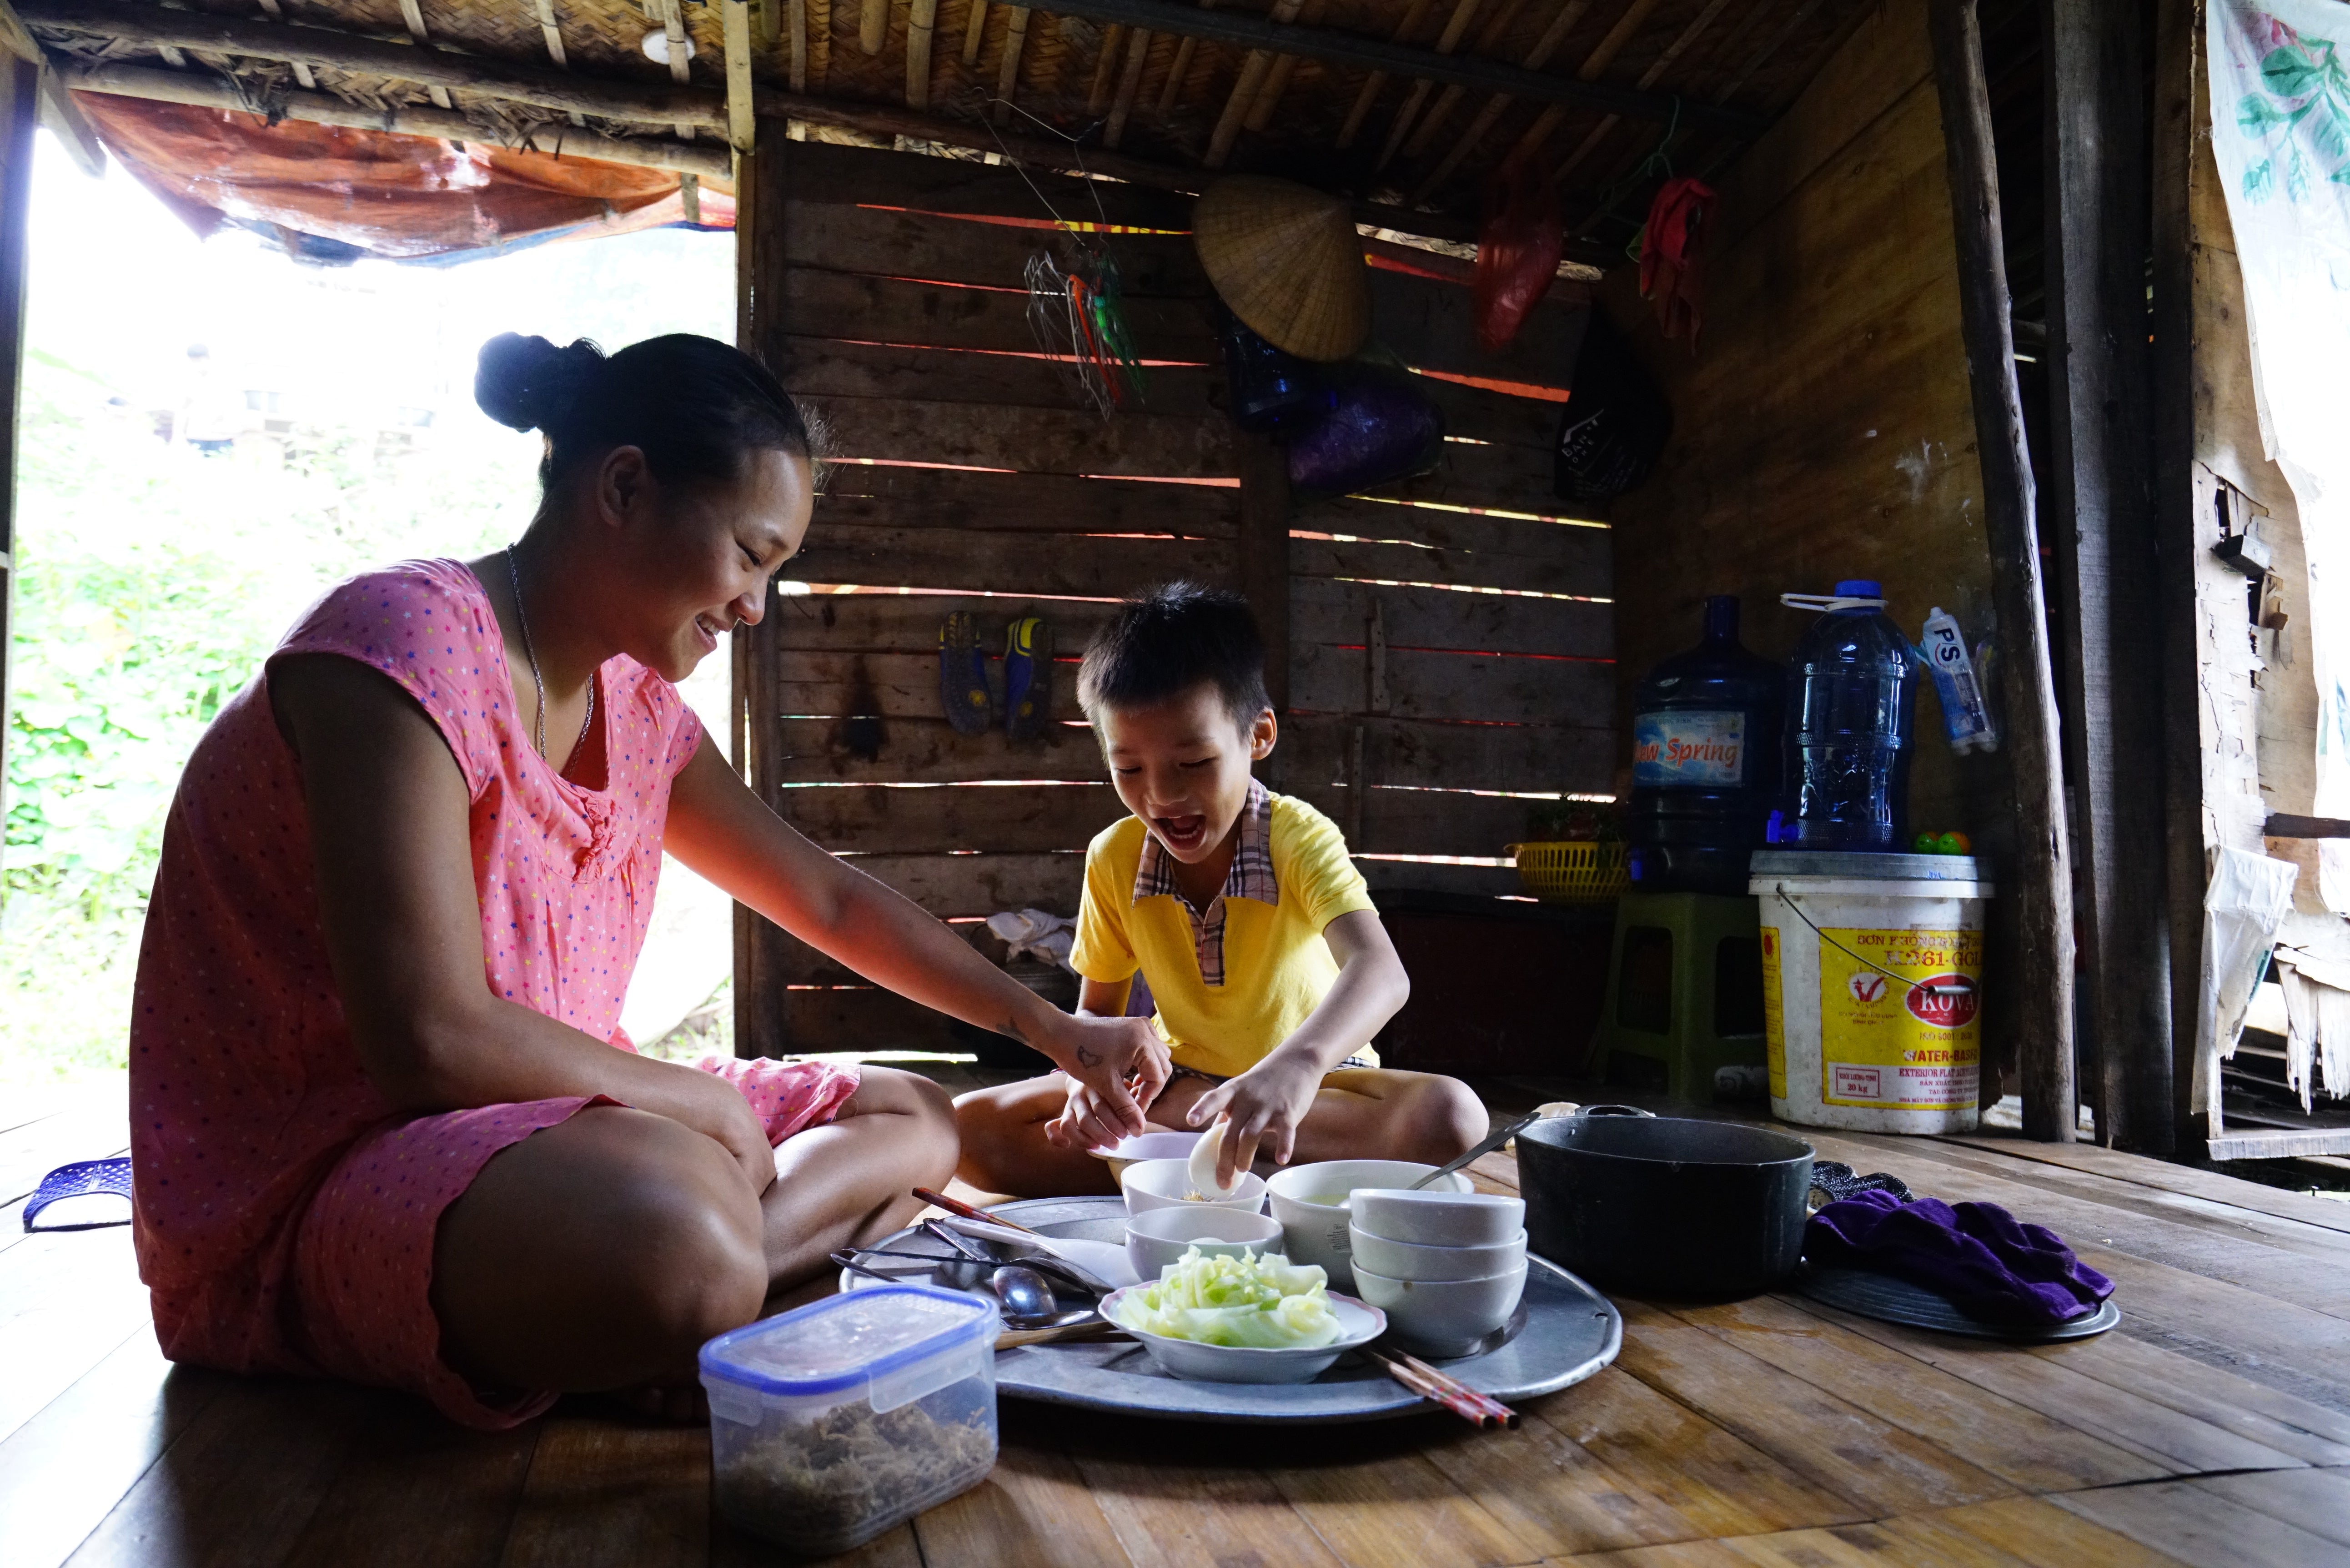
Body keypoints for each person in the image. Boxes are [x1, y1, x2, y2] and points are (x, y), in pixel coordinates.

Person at [127, 332, 1168, 1430]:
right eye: (751, 555)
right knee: (679, 1224)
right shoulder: (404, 646)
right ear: (624, 484)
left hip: (556, 1130)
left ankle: (690, 1301)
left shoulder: (640, 714)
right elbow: (427, 1040)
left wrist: (1059, 1033)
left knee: (912, 1114)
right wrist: (700, 1106)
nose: (757, 605)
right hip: (335, 1169)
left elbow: (828, 899)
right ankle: (698, 1282)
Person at [954, 583, 1487, 1197]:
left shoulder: (1298, 837)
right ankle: (1241, 1169)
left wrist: (1298, 1067)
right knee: (970, 1131)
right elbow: (1097, 1014)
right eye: (1129, 769)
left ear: (1257, 737)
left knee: (1450, 1117)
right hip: (1179, 1085)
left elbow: (1382, 972)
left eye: (1194, 763)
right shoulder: (1115, 856)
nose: (1162, 796)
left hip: (1317, 1090)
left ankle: (1187, 1163)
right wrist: (1085, 1084)